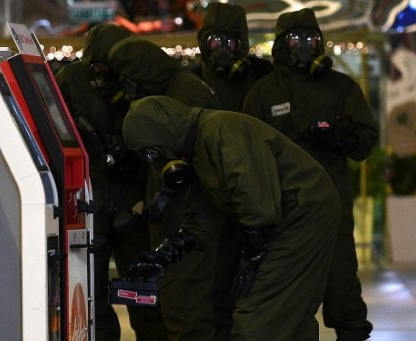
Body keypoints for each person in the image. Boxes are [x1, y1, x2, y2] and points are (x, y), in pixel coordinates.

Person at [122, 95, 341, 340]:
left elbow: (258, 205)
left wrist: (250, 265)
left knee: (258, 317)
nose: (155, 161)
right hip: (292, 215)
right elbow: (203, 216)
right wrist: (164, 255)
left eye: (151, 153)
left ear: (163, 132)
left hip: (303, 214)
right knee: (289, 315)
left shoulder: (221, 132)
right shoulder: (200, 147)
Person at [242, 8, 378, 341]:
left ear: (320, 43)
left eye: (310, 39)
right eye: (295, 39)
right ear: (281, 44)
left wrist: (337, 139)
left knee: (342, 288)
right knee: (288, 299)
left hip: (332, 206)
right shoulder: (263, 92)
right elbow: (245, 153)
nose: (303, 45)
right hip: (282, 211)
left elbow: (365, 142)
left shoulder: (340, 87)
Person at [107, 37, 227, 339]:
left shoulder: (184, 95)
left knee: (184, 307)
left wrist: (158, 203)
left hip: (187, 223)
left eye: (129, 79)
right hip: (185, 221)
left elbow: (182, 168)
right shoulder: (181, 88)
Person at [55, 23, 168, 341]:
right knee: (94, 291)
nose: (102, 77)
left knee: (142, 289)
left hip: (132, 196)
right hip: (95, 195)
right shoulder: (72, 80)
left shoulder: (133, 77)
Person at [193, 3, 273, 336]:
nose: (222, 51)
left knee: (261, 285)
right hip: (210, 198)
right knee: (214, 284)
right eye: (214, 42)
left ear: (242, 43)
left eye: (230, 42)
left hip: (256, 195)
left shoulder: (263, 79)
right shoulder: (191, 83)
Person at [194, 2, 273, 111]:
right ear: (205, 43)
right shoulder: (193, 81)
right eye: (216, 40)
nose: (222, 48)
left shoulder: (260, 74)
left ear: (239, 45)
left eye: (230, 41)